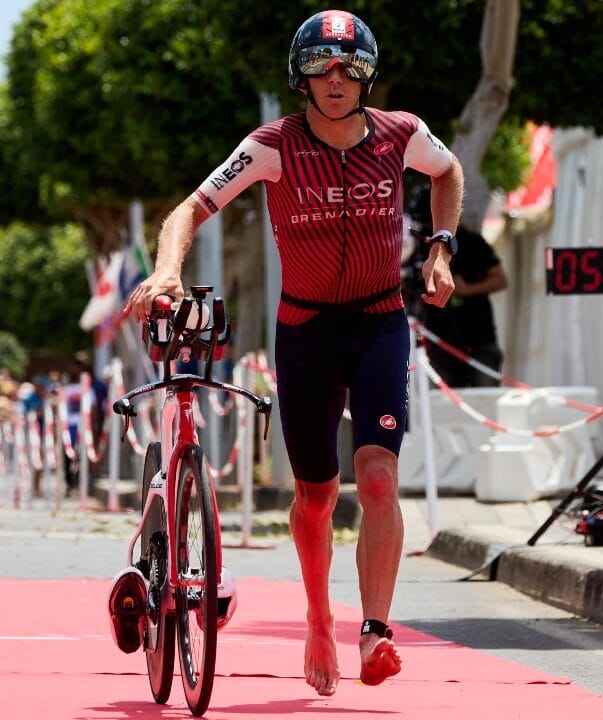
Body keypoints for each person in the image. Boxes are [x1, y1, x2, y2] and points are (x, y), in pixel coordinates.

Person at [123, 10, 464, 695]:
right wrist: (166, 270)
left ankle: (375, 632)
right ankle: (316, 616)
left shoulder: (401, 134)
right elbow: (188, 210)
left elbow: (449, 172)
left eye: (348, 68)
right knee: (315, 496)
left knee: (376, 479)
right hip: (305, 331)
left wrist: (441, 246)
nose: (334, 81)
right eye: (319, 67)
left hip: (378, 322)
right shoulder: (273, 146)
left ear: (367, 74)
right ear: (299, 75)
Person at [406, 184, 508, 387]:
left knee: (484, 399)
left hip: (478, 337)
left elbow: (501, 279)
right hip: (440, 340)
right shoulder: (417, 247)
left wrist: (467, 290)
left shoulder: (472, 242)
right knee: (446, 405)